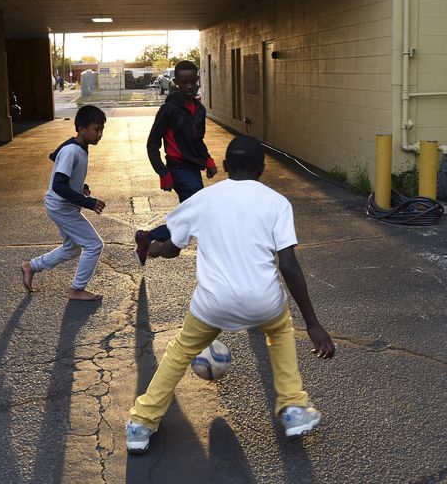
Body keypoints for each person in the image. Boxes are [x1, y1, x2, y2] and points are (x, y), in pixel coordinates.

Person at [125, 135, 335, 454]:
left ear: (224, 167)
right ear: (262, 169)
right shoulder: (277, 203)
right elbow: (289, 265)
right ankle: (293, 408)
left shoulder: (201, 200)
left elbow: (171, 248)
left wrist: (154, 250)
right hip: (264, 302)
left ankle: (142, 422)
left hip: (213, 304)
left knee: (180, 351)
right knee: (279, 333)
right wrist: (313, 323)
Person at [134, 60, 217, 266]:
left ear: (197, 80)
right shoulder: (169, 110)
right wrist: (163, 173)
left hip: (193, 169)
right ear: (177, 83)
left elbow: (197, 141)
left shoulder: (199, 110)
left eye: (192, 81)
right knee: (200, 213)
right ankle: (162, 243)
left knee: (192, 216)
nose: (189, 86)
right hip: (179, 170)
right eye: (184, 82)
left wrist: (208, 160)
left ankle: (148, 237)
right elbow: (152, 144)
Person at [21, 105, 107, 301]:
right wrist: (89, 202)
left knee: (73, 248)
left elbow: (66, 178)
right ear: (81, 128)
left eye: (102, 129)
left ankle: (31, 266)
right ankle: (77, 289)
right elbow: (59, 185)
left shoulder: (79, 148)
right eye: (96, 129)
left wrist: (81, 187)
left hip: (62, 205)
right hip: (61, 206)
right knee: (94, 244)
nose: (100, 134)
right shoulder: (71, 151)